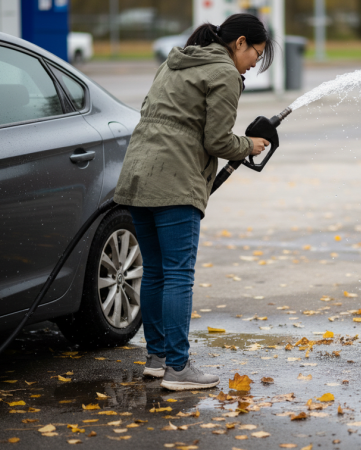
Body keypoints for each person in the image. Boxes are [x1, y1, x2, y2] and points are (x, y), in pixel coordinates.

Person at [113, 14, 275, 391]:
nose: (254, 63)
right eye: (256, 54)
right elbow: (217, 140)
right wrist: (248, 145)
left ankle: (157, 359)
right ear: (240, 43)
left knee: (155, 271)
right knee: (178, 274)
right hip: (175, 180)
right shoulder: (224, 73)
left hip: (137, 174)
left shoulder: (175, 61)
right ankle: (179, 368)